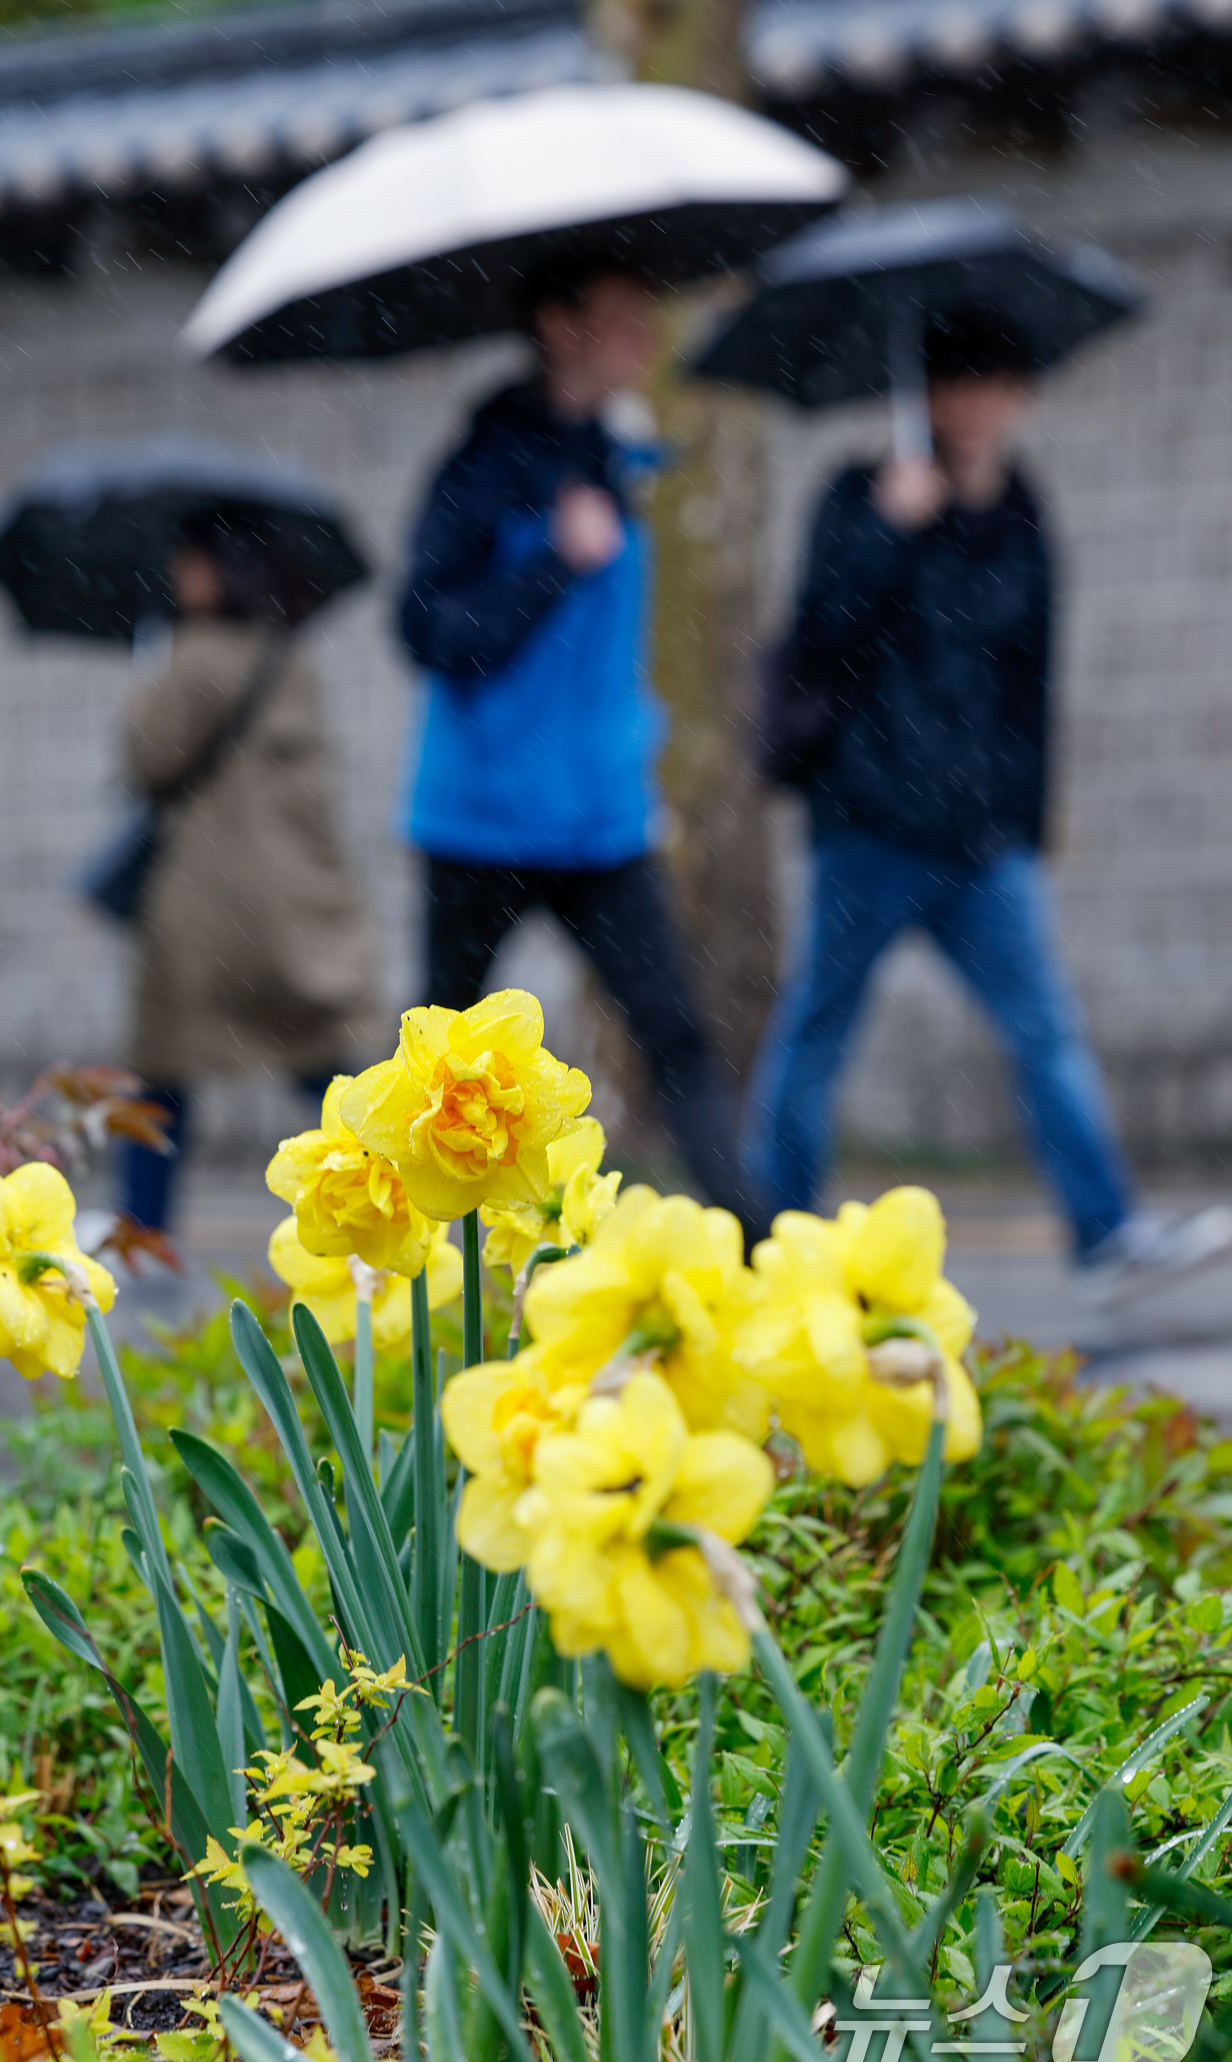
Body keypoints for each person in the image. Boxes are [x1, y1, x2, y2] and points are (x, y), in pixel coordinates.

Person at [743, 303, 1232, 1291]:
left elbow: (1028, 684)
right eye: (955, 384)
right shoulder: (859, 495)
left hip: (977, 841)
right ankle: (765, 1235)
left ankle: (1106, 1230)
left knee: (1045, 1030)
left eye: (992, 386)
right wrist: (888, 531)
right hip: (870, 825)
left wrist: (1025, 820)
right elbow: (818, 635)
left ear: (1019, 396)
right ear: (924, 395)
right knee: (817, 1029)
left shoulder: (1020, 515)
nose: (973, 406)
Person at [398, 257, 767, 1238]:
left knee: (678, 1039)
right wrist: (552, 565)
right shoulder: (480, 467)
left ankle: (754, 1246)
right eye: (623, 318)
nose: (646, 339)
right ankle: (392, 1264)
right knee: (433, 1070)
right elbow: (428, 632)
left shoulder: (621, 461)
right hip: (479, 823)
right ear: (559, 325)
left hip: (602, 822)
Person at [117, 504, 384, 1232]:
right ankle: (385, 1192)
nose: (177, 574)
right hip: (293, 905)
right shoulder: (290, 657)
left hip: (208, 908)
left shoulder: (196, 657)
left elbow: (147, 763)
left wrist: (139, 711)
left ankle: (143, 1231)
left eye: (188, 559)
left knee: (162, 1074)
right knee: (322, 1063)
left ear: (216, 569)